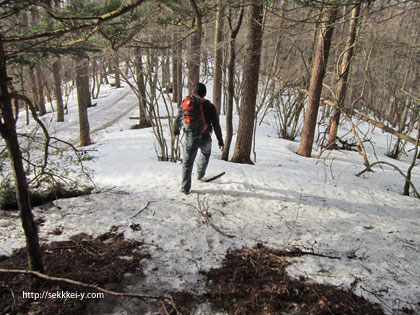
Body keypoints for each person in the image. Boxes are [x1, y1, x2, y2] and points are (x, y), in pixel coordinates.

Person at [173, 83, 224, 194]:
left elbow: (178, 119)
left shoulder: (186, 104)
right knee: (206, 153)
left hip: (190, 137)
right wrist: (220, 141)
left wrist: (175, 131)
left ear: (193, 93)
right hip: (205, 137)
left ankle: (185, 188)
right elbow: (216, 125)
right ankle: (200, 174)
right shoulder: (209, 106)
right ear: (205, 94)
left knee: (187, 163)